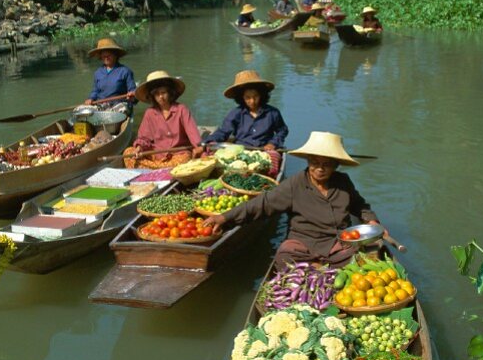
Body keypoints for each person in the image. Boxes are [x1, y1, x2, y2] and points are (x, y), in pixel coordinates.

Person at [203, 131, 382, 269]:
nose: (320, 169)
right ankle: (317, 267)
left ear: (335, 165)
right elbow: (262, 204)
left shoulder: (343, 182)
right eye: (315, 163)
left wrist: (371, 220)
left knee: (358, 258)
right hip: (304, 243)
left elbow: (360, 206)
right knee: (284, 256)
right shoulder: (294, 184)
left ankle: (319, 268)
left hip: (336, 244)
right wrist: (224, 217)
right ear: (308, 162)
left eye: (326, 164)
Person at [203, 70, 289, 151]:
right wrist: (207, 142)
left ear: (262, 95)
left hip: (265, 149)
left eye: (255, 96)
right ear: (241, 98)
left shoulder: (272, 113)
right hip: (241, 149)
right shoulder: (235, 113)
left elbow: (282, 131)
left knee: (273, 159)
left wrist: (273, 143)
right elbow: (224, 132)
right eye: (247, 97)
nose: (252, 101)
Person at [131, 70, 203, 157]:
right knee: (128, 153)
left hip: (178, 154)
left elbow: (193, 133)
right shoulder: (150, 113)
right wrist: (139, 148)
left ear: (170, 93)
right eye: (157, 94)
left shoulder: (181, 109)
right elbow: (144, 137)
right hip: (158, 154)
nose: (161, 97)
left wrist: (199, 147)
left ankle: (161, 169)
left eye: (163, 93)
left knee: (184, 158)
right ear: (153, 96)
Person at [84, 37, 136, 110]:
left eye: (109, 56)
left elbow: (132, 90)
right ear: (100, 57)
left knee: (123, 109)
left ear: (115, 55)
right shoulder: (98, 73)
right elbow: (95, 91)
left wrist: (132, 94)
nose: (106, 58)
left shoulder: (125, 71)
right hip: (101, 104)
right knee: (82, 111)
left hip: (119, 104)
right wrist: (90, 99)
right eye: (104, 56)